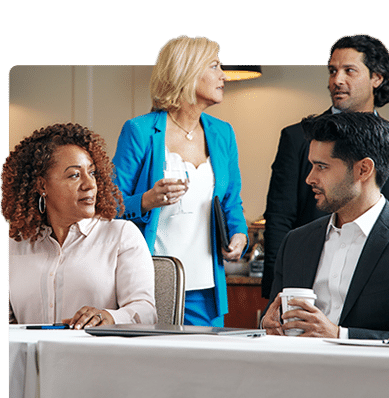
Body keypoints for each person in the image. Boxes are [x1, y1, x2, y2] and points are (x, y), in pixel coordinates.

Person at [262, 33, 389, 298]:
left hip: (381, 287)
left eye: (349, 70)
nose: (336, 80)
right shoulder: (297, 138)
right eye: (332, 71)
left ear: (377, 77)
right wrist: (276, 292)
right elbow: (279, 218)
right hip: (308, 282)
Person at [262, 112, 389, 340]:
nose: (309, 178)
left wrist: (340, 335)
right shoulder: (295, 242)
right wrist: (268, 325)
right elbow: (275, 324)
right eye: (311, 166)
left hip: (376, 375)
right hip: (294, 372)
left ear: (363, 170)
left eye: (321, 167)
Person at [112, 35, 248, 327]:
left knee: (207, 370)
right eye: (214, 66)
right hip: (151, 282)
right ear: (186, 72)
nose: (223, 75)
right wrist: (146, 200)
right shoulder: (139, 131)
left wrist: (240, 235)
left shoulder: (223, 133)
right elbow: (109, 204)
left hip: (206, 287)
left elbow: (231, 201)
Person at [3, 123, 157, 329]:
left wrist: (109, 317)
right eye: (74, 175)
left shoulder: (121, 235)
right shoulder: (14, 244)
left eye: (92, 173)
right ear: (42, 186)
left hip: (95, 357)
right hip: (28, 359)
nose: (90, 184)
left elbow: (146, 312)